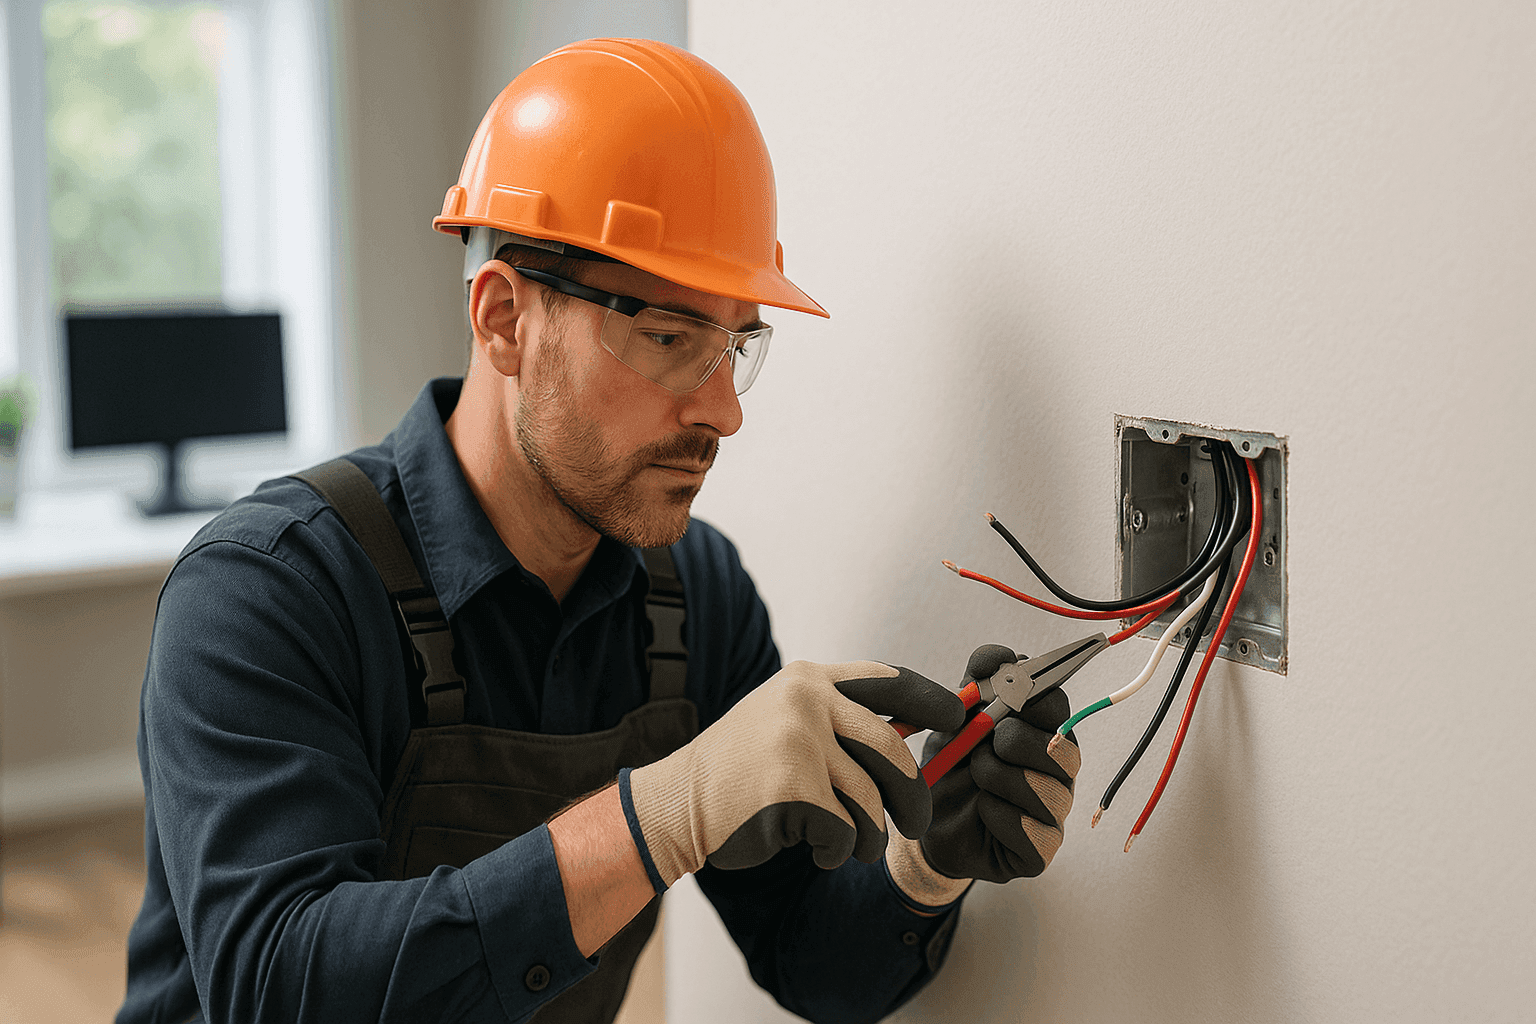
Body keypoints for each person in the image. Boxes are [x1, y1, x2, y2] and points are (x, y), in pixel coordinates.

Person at [116, 38, 1079, 1024]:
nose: (724, 411)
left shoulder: (696, 597)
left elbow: (808, 958)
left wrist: (922, 865)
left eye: (735, 344)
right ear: (503, 320)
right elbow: (280, 986)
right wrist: (660, 815)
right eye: (668, 338)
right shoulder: (269, 588)